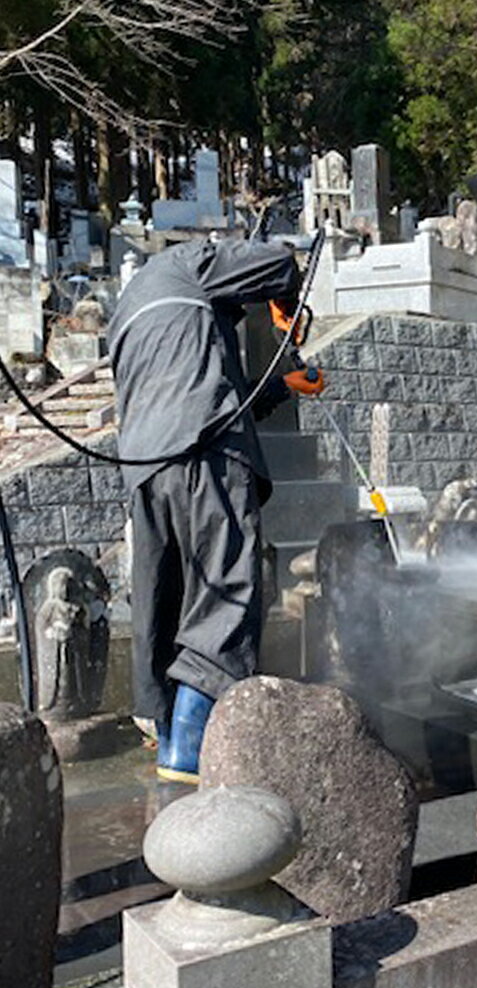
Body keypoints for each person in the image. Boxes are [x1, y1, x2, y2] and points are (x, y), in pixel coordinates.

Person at [107, 237, 324, 783]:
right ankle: (193, 745)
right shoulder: (188, 262)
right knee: (226, 584)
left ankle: (166, 732)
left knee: (169, 594)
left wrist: (279, 384)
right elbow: (275, 260)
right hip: (204, 447)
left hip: (145, 463)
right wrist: (284, 296)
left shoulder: (136, 307)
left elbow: (197, 382)